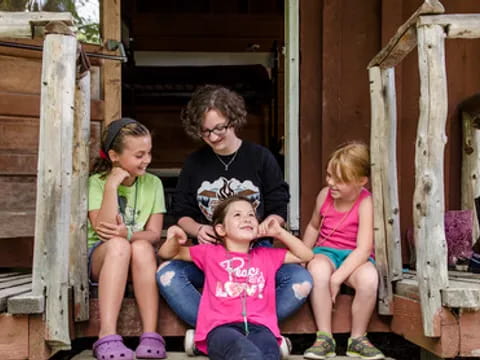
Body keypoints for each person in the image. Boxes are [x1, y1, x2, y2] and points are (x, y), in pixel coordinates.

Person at [156, 85, 313, 354]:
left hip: (257, 253)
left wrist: (270, 225)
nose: (213, 136)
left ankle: (259, 329)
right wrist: (199, 228)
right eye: (205, 131)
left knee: (300, 280)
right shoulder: (195, 163)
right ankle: (213, 331)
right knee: (168, 274)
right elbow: (181, 211)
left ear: (234, 119)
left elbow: (278, 202)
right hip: (211, 255)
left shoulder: (260, 157)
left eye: (219, 128)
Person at [158, 196, 314, 360]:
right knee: (246, 354)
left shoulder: (267, 255)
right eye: (237, 215)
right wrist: (173, 239)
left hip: (261, 328)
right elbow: (168, 254)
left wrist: (280, 233)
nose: (246, 218)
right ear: (221, 229)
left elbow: (306, 255)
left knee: (269, 354)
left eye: (251, 215)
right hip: (221, 328)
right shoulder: (210, 253)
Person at [88, 118, 167, 360]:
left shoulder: (153, 184)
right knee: (120, 245)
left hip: (138, 261)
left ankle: (151, 334)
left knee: (142, 247)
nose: (147, 160)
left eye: (149, 153)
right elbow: (104, 230)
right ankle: (106, 335)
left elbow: (154, 234)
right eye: (139, 155)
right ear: (114, 156)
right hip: (104, 258)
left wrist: (130, 234)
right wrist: (112, 185)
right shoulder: (97, 183)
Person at [303, 142, 385, 360]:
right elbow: (313, 225)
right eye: (329, 176)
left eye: (339, 180)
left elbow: (363, 248)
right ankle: (324, 338)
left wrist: (337, 278)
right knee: (318, 270)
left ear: (361, 181)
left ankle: (357, 339)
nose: (331, 183)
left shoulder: (366, 202)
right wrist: (304, 254)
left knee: (369, 278)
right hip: (326, 251)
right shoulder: (324, 196)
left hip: (355, 256)